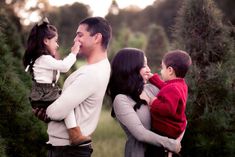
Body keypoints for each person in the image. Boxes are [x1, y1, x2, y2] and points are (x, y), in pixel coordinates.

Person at [34, 17, 112, 157]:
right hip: (67, 148)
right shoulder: (97, 68)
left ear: (97, 38)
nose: (75, 40)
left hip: (68, 150)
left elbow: (55, 112)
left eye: (80, 35)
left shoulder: (91, 73)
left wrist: (48, 111)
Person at [23, 17, 91, 146]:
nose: (58, 44)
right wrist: (74, 53)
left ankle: (67, 134)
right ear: (45, 41)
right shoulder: (42, 59)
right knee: (68, 103)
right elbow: (64, 67)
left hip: (46, 92)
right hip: (45, 93)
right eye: (55, 41)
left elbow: (58, 67)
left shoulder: (44, 59)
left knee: (66, 105)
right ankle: (74, 135)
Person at [106, 48, 181, 157]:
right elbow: (140, 133)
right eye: (144, 65)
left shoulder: (151, 89)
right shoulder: (121, 100)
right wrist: (171, 144)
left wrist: (175, 143)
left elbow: (178, 113)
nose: (148, 69)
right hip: (140, 153)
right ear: (130, 68)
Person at [146, 50, 191, 156]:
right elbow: (165, 88)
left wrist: (154, 102)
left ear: (170, 70)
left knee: (155, 152)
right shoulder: (180, 85)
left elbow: (168, 110)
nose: (161, 71)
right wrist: (153, 78)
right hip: (173, 129)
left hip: (166, 131)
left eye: (162, 68)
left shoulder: (173, 88)